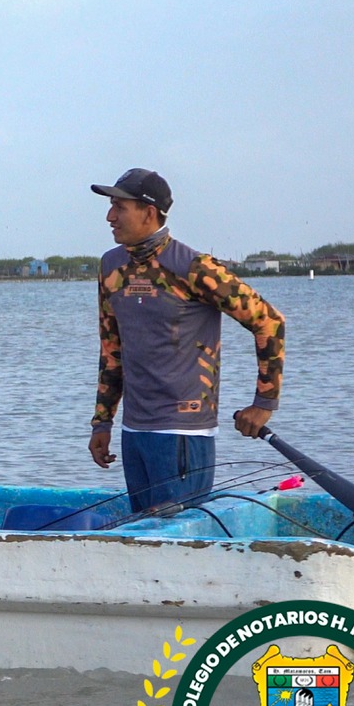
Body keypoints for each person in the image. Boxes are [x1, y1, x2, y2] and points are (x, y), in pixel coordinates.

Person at [88, 169, 285, 514]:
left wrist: (264, 403)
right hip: (134, 430)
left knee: (176, 534)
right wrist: (102, 422)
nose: (110, 216)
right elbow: (111, 349)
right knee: (142, 532)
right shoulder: (111, 266)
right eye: (111, 206)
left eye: (119, 207)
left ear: (149, 212)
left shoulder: (195, 268)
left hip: (183, 432)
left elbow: (269, 322)